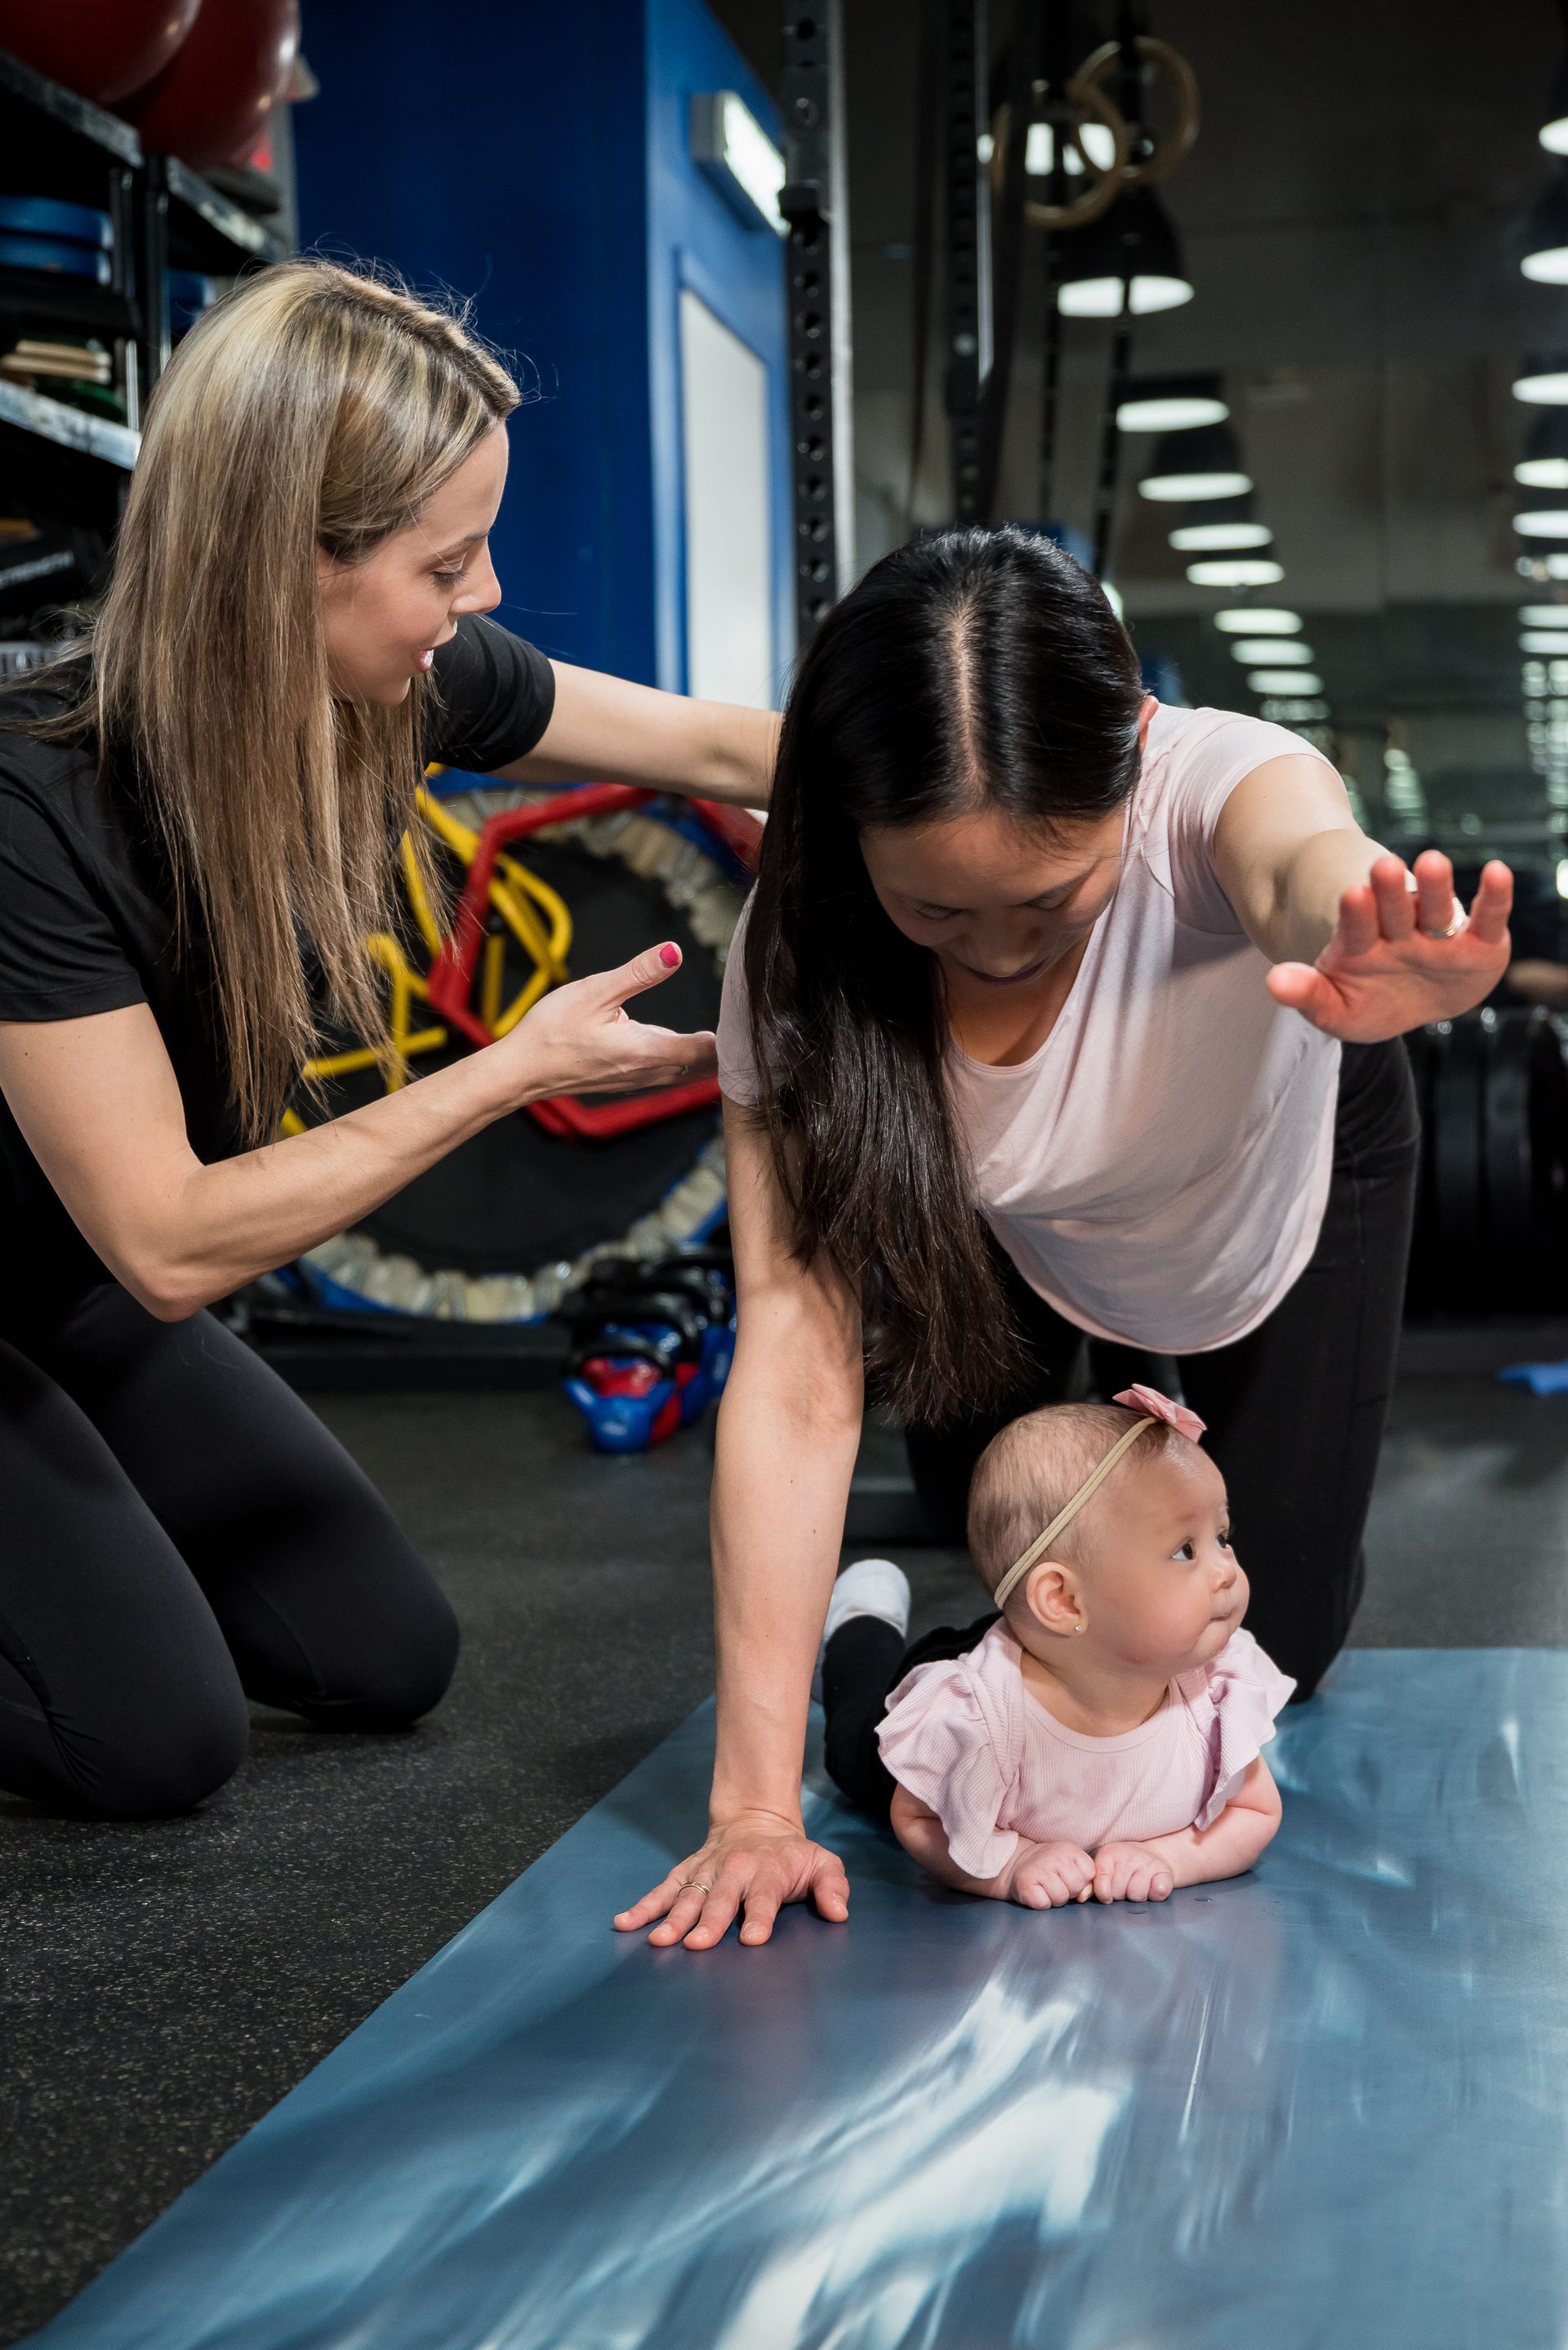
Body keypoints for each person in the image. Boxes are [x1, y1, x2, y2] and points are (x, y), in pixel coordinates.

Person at [615, 524, 1512, 1954]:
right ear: (854, 846)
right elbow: (793, 1357)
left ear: (1134, 769)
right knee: (1012, 1607)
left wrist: (1356, 932)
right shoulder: (802, 960)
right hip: (1017, 1222)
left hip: (1269, 1175)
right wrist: (754, 1806)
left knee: (1266, 1642)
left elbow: (1298, 855)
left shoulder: (1214, 780)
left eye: (1049, 898)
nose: (1000, 948)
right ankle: (872, 1617)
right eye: (935, 907)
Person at [0, 259, 774, 1822]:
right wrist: (515, 1068)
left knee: (382, 1652)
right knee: (152, 1742)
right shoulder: (32, 803)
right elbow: (166, 1243)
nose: (483, 596)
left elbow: (721, 744)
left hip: (63, 1290)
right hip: (102, 1259)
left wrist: (1081, 764)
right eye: (451, 560)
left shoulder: (390, 682)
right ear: (292, 563)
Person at [826, 1385, 1291, 1911]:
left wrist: (1171, 1858)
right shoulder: (976, 1722)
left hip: (1071, 1642)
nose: (1226, 1570)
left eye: (1222, 1537)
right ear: (1064, 1599)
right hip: (994, 1664)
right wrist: (1010, 1865)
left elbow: (1254, 1812)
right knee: (854, 1749)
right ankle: (863, 1618)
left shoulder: (1211, 1686)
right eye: (1186, 1550)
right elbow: (919, 1818)